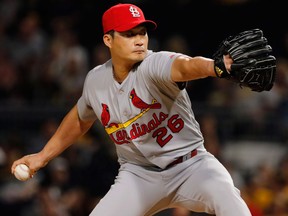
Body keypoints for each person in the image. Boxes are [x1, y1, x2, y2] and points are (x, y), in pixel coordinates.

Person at [11, 3, 252, 216]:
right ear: (108, 40)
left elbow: (186, 65)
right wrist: (42, 157)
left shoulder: (153, 64)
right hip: (138, 176)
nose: (139, 40)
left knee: (232, 203)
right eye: (128, 34)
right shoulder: (96, 80)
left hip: (191, 166)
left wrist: (216, 67)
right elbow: (80, 119)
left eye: (142, 32)